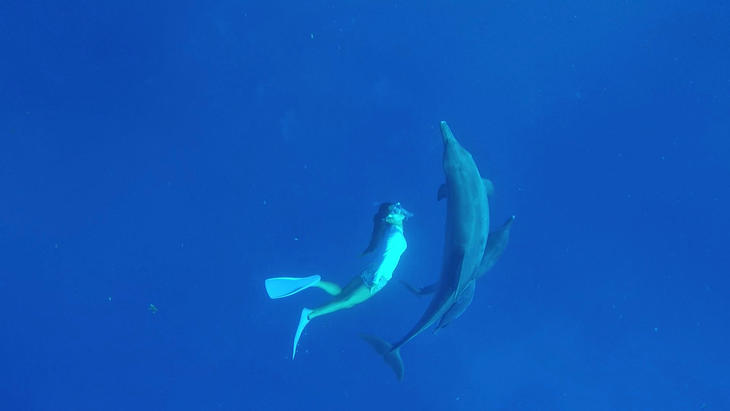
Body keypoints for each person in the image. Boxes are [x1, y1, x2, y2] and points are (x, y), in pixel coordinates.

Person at [264, 202, 412, 359]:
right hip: (379, 276)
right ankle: (309, 315)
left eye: (397, 207)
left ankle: (316, 283)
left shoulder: (393, 232)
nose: (399, 210)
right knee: (347, 302)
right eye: (394, 210)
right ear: (389, 218)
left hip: (371, 270)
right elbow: (386, 259)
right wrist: (376, 281)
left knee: (342, 294)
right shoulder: (396, 237)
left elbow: (385, 257)